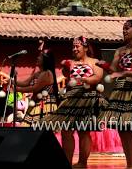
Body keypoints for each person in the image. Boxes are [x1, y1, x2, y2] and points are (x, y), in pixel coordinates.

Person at [43, 36, 107, 167]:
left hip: (87, 98)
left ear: (85, 47)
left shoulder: (94, 61)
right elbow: (67, 76)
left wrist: (84, 80)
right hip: (71, 98)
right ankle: (67, 161)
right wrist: (66, 69)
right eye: (73, 46)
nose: (74, 49)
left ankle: (82, 162)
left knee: (83, 131)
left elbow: (98, 77)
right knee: (66, 130)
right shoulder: (71, 62)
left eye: (77, 46)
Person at [97, 18, 132, 168]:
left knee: (129, 128)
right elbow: (114, 69)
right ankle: (129, 164)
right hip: (120, 89)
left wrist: (121, 74)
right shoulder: (120, 50)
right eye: (124, 28)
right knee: (121, 128)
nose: (124, 30)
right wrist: (105, 66)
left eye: (128, 28)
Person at [17, 49, 59, 126]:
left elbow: (34, 88)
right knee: (28, 128)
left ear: (45, 60)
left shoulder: (47, 74)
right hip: (36, 103)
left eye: (40, 56)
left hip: (45, 105)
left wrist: (17, 89)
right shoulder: (37, 74)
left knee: (40, 130)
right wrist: (11, 81)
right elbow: (25, 83)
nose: (37, 58)